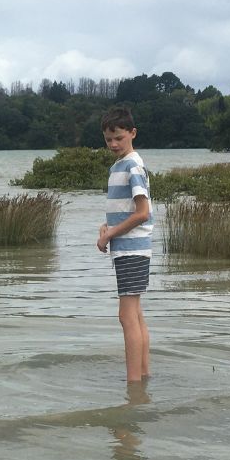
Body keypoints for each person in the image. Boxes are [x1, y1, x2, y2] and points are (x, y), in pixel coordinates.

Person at [97, 107, 153, 383]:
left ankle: (133, 384)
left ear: (132, 133)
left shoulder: (133, 165)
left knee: (126, 316)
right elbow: (125, 209)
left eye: (119, 137)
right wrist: (107, 229)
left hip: (132, 248)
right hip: (128, 247)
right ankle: (142, 377)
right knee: (136, 314)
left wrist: (110, 235)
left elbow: (143, 213)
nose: (114, 144)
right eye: (108, 139)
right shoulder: (119, 165)